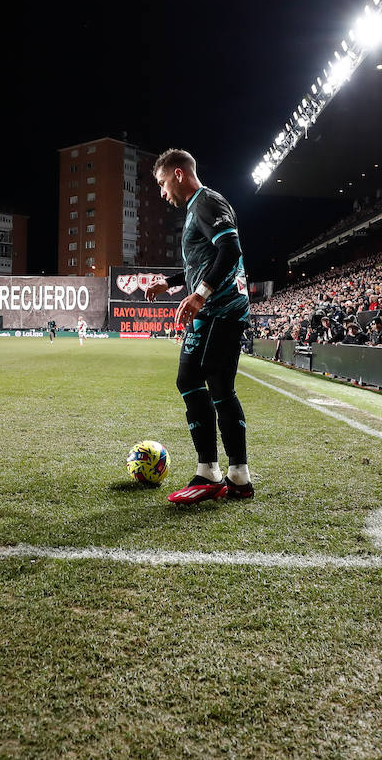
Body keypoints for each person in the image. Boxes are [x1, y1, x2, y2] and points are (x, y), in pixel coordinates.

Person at [144, 148, 253, 502]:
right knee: (212, 384)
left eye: (162, 184)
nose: (162, 193)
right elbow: (206, 258)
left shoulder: (206, 202)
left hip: (222, 309)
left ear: (178, 174)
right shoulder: (197, 208)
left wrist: (200, 295)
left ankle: (217, 472)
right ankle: (232, 476)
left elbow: (230, 250)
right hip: (214, 309)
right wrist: (173, 283)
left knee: (198, 380)